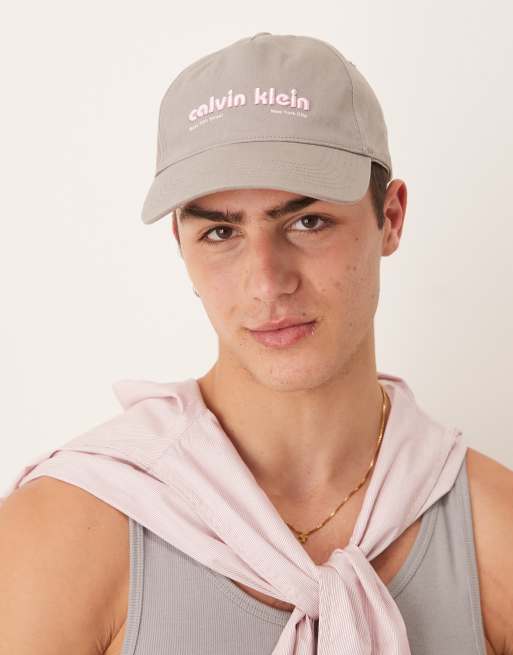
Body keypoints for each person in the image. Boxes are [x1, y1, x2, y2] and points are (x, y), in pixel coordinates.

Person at [1, 32, 512, 655]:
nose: (267, 282)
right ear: (180, 244)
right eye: (221, 233)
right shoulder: (62, 533)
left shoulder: (496, 535)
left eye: (308, 222)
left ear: (391, 218)